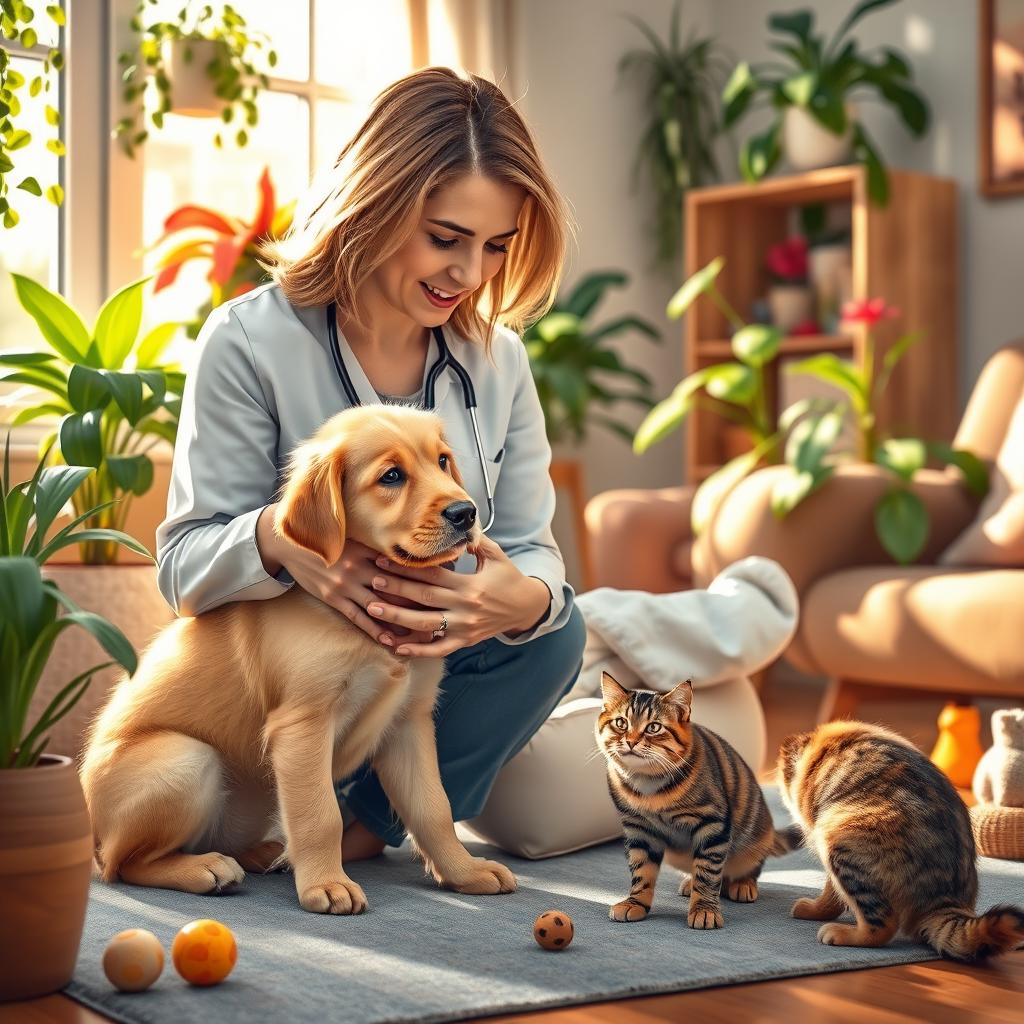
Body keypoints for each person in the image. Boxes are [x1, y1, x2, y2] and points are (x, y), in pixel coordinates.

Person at [156, 67, 587, 862]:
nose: (471, 274)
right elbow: (183, 569)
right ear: (376, 202)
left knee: (558, 637)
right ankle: (292, 817)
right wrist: (290, 548)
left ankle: (368, 828)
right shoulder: (249, 341)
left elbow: (531, 544)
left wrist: (515, 600)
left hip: (423, 664)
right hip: (290, 675)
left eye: (497, 247)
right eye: (447, 238)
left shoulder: (500, 363)